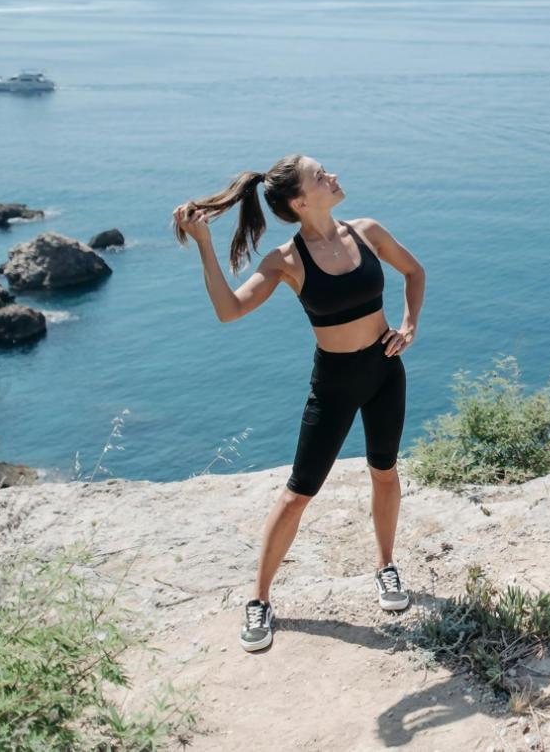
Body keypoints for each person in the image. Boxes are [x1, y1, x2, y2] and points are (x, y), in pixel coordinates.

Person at [171, 154, 425, 652]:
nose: (332, 175)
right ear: (300, 201)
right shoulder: (286, 261)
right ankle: (260, 600)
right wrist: (205, 245)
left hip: (384, 372)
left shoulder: (368, 231)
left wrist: (409, 326)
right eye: (319, 175)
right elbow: (229, 310)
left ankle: (386, 566)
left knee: (385, 471)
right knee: (297, 492)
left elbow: (414, 273)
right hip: (333, 384)